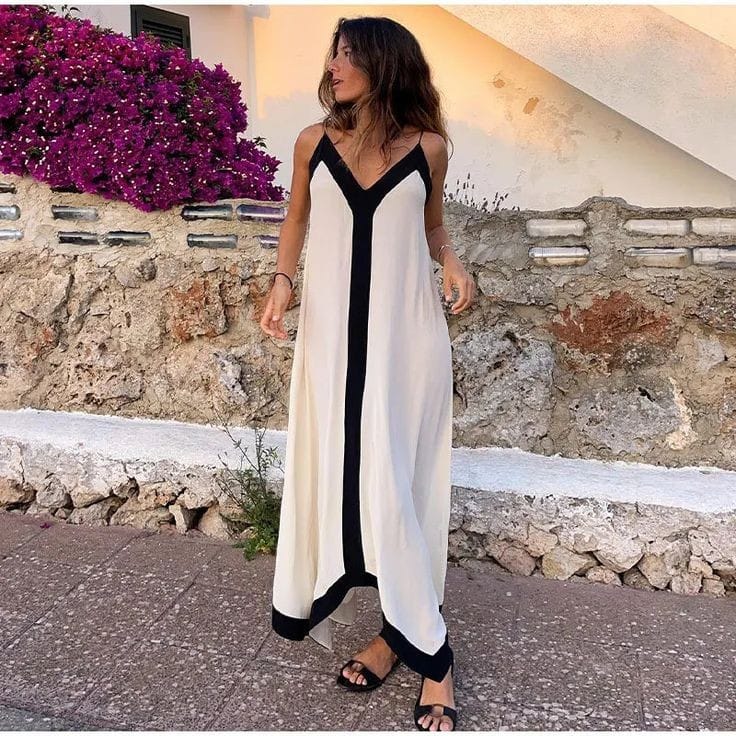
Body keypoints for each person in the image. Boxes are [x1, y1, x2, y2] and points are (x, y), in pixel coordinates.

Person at [260, 16, 476, 732]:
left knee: (398, 488)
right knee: (349, 487)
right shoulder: (312, 143)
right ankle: (395, 634)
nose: (333, 65)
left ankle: (432, 656)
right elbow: (296, 220)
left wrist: (451, 262)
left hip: (405, 345)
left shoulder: (429, 149)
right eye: (334, 53)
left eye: (348, 54)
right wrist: (283, 281)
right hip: (330, 346)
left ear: (384, 63)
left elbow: (432, 227)